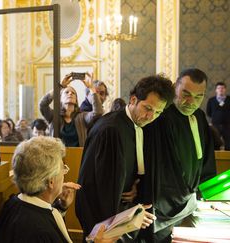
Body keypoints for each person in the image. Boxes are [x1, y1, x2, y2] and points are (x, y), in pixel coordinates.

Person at [75, 74, 175, 241]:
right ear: (133, 99)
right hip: (104, 224)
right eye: (148, 108)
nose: (151, 117)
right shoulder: (111, 130)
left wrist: (133, 185)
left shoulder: (136, 124)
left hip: (123, 215)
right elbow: (98, 187)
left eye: (158, 112)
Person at [0, 136, 116, 243]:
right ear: (51, 181)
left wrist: (61, 208)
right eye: (63, 169)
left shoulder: (13, 202)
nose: (64, 174)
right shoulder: (39, 232)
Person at [148, 68, 217, 242]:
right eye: (185, 93)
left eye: (198, 97)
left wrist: (205, 191)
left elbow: (206, 160)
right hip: (164, 204)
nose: (191, 101)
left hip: (191, 201)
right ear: (175, 87)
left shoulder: (199, 117)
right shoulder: (161, 117)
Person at [39, 73, 104, 147]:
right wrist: (59, 87)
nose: (70, 93)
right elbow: (42, 105)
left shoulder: (82, 117)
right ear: (61, 99)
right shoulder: (54, 116)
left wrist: (92, 89)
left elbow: (98, 112)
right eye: (66, 92)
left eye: (73, 93)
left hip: (78, 157)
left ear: (76, 100)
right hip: (57, 157)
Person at [206, 82, 230, 150]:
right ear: (216, 90)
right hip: (215, 126)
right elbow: (208, 112)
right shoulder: (211, 100)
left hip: (228, 126)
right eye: (219, 88)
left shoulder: (229, 99)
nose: (221, 90)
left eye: (222, 88)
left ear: (225, 89)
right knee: (215, 144)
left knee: (228, 144)